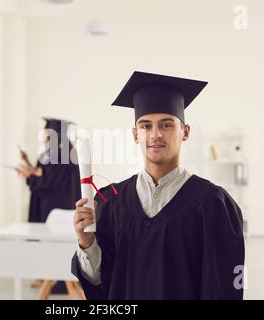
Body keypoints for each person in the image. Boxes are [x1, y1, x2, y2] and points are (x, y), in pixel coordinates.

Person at [72, 71, 245, 299]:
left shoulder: (213, 204)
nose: (155, 134)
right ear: (135, 134)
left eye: (166, 125)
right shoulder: (110, 201)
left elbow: (222, 289)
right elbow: (99, 282)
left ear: (185, 132)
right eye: (145, 126)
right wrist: (86, 243)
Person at [18, 118, 81, 290]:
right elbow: (46, 174)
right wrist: (32, 170)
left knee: (52, 242)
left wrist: (28, 176)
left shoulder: (56, 154)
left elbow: (47, 182)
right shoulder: (67, 152)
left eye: (48, 134)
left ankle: (55, 282)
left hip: (53, 206)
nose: (45, 136)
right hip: (64, 203)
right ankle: (52, 278)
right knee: (61, 243)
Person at [18, 118, 81, 223]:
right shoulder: (70, 154)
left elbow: (45, 183)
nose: (44, 138)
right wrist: (28, 162)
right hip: (67, 206)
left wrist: (29, 175)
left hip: (50, 209)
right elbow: (46, 174)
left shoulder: (52, 156)